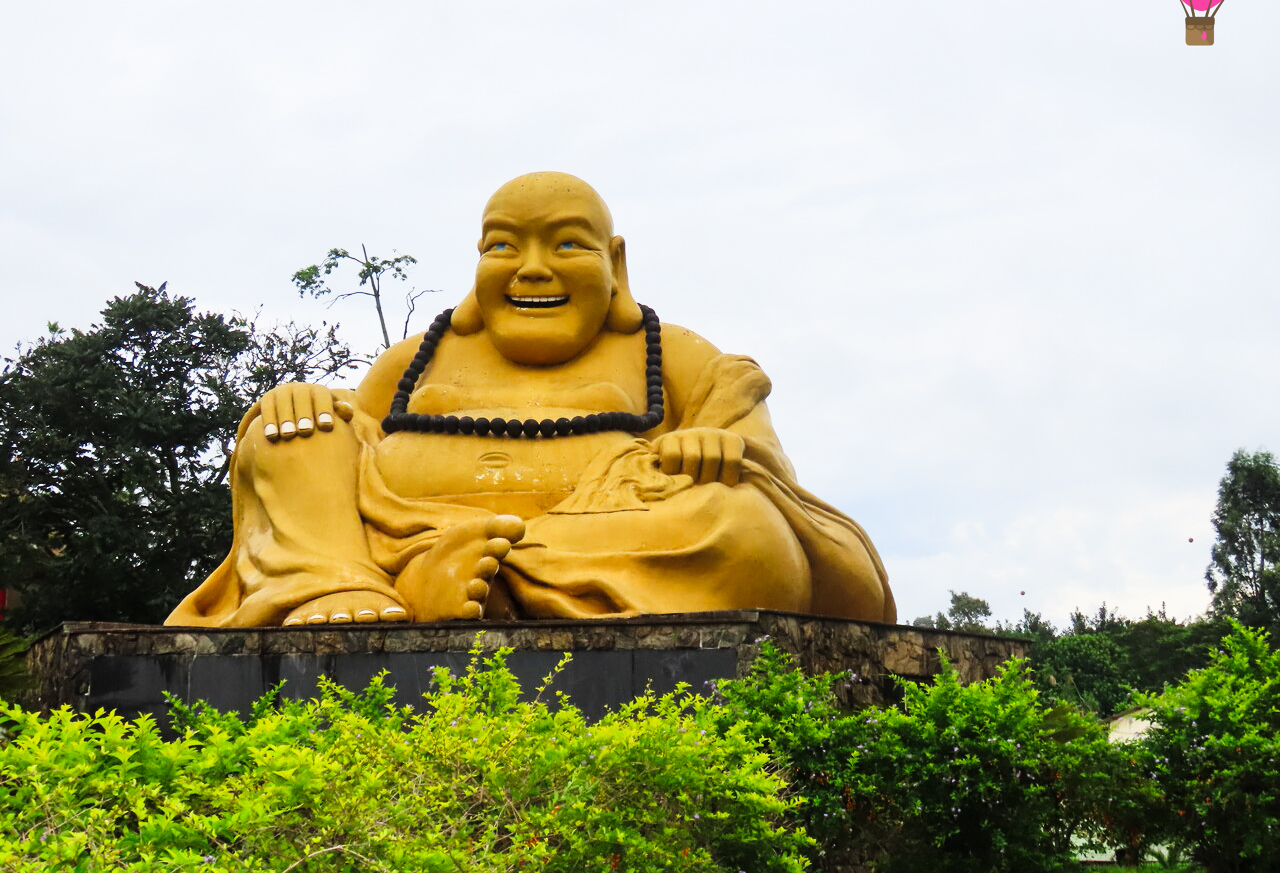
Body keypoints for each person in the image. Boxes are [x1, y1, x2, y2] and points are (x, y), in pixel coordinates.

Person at [167, 172, 895, 627]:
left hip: (606, 538)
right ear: (477, 263)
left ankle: (474, 580)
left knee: (747, 534)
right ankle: (338, 582)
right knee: (287, 426)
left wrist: (717, 446)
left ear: (615, 263)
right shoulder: (415, 359)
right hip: (396, 534)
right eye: (503, 246)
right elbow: (349, 436)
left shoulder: (670, 351)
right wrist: (304, 401)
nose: (533, 269)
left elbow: (761, 456)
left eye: (567, 246)